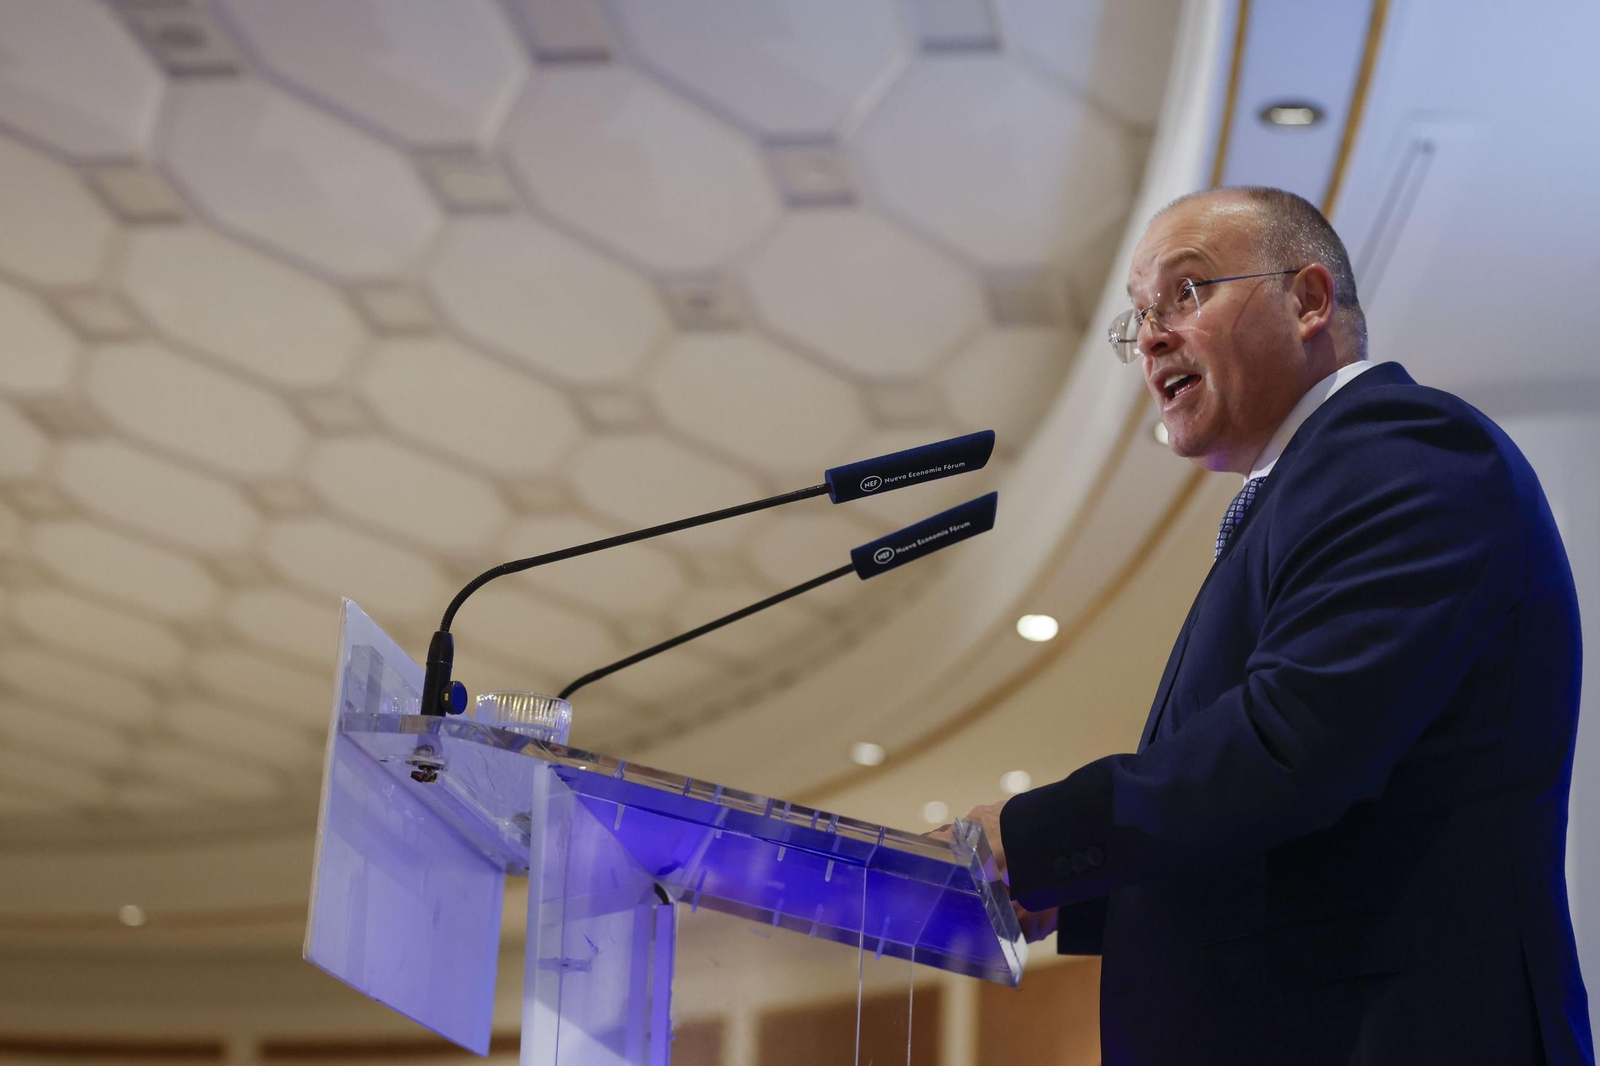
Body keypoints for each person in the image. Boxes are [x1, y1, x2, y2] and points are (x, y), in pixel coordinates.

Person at [947, 186, 1593, 1064]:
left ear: (1310, 300)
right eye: (1139, 318)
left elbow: (1290, 749)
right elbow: (1306, 836)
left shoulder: (1405, 448)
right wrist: (1073, 889)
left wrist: (1031, 841)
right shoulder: (1311, 487)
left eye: (1186, 291)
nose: (1152, 338)